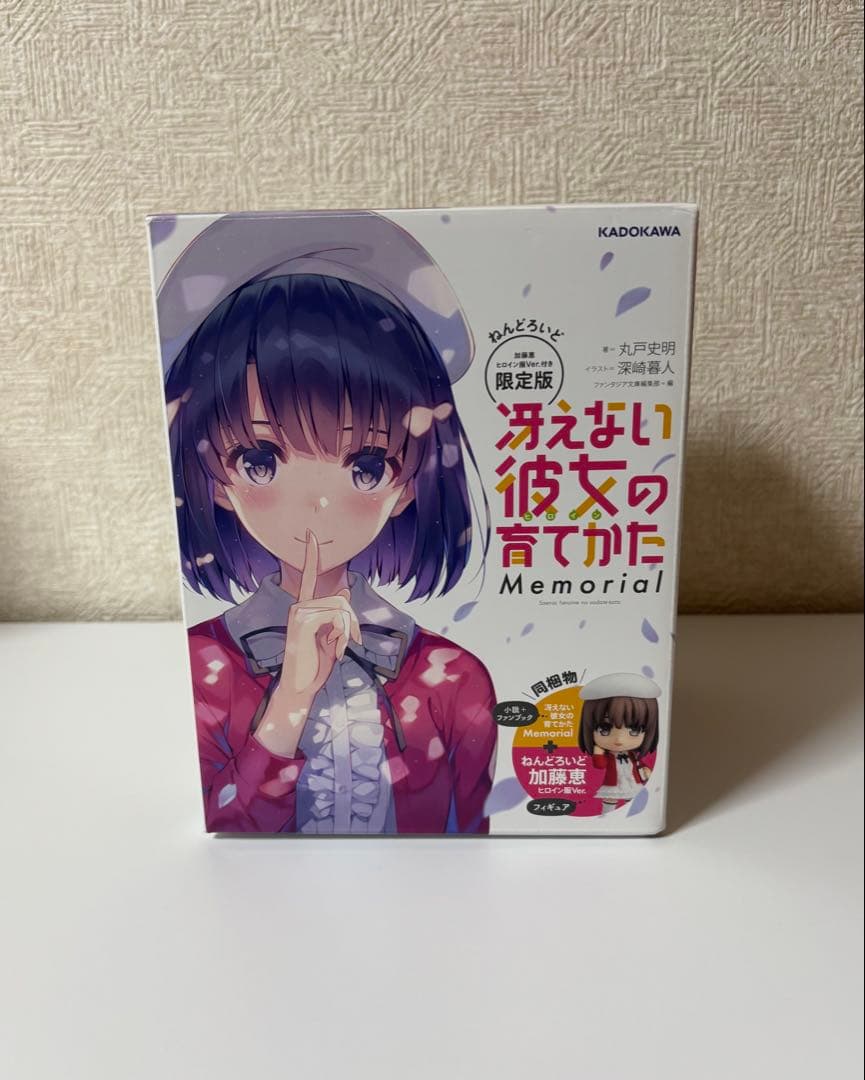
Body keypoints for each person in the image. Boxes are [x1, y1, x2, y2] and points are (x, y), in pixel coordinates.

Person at [156, 212, 497, 834]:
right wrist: (289, 699)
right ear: (215, 478)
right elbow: (224, 835)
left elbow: (470, 845)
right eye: (260, 461)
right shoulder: (202, 668)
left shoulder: (454, 681)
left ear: (407, 483)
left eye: (366, 466)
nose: (316, 504)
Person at [577, 672, 660, 813]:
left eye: (634, 730)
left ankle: (631, 817)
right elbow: (600, 765)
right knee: (610, 800)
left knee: (631, 799)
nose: (619, 740)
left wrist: (645, 769)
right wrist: (598, 753)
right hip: (613, 782)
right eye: (604, 729)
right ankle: (607, 817)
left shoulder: (631, 755)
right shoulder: (609, 755)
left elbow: (637, 763)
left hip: (631, 780)